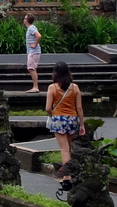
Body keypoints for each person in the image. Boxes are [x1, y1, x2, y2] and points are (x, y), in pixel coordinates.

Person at [45, 61, 85, 191]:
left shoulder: (52, 88)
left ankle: (66, 177)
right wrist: (82, 124)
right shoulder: (75, 87)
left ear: (55, 73)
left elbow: (47, 108)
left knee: (64, 149)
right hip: (72, 119)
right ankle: (70, 174)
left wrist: (53, 114)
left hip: (59, 119)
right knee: (68, 148)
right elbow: (79, 107)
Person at [23, 13, 41, 92]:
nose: (24, 19)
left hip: (33, 52)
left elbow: (39, 36)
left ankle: (35, 87)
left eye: (25, 18)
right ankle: (35, 87)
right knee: (31, 68)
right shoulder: (30, 28)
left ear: (27, 20)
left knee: (31, 68)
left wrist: (35, 44)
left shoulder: (31, 28)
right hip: (32, 51)